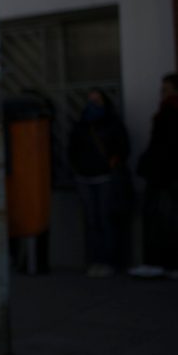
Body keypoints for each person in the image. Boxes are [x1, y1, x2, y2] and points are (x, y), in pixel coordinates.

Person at [132, 73, 178, 279]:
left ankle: (159, 262)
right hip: (175, 176)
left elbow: (166, 148)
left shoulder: (170, 113)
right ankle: (172, 264)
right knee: (174, 221)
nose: (162, 94)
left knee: (160, 220)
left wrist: (155, 169)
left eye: (166, 89)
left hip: (165, 177)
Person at [68, 88, 131, 278]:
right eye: (90, 100)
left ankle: (109, 262)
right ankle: (94, 261)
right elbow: (72, 150)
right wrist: (77, 168)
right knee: (91, 221)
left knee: (105, 220)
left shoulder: (112, 123)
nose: (92, 104)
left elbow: (123, 147)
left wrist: (112, 162)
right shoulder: (81, 125)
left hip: (105, 177)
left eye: (97, 100)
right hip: (84, 177)